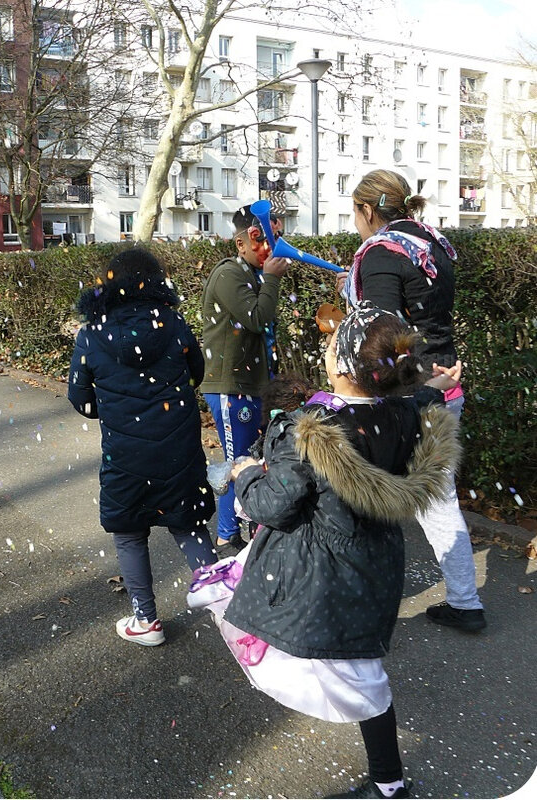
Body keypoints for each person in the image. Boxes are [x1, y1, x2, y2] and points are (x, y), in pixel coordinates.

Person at [188, 303, 462, 798]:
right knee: (363, 669)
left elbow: (274, 506)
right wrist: (435, 389)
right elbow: (408, 397)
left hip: (322, 569)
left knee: (354, 673)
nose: (326, 347)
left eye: (333, 344)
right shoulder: (401, 412)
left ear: (342, 365)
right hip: (375, 561)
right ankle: (389, 780)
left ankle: (390, 785)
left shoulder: (313, 432)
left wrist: (245, 471)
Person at [338, 168, 485, 633]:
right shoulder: (432, 243)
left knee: (363, 494)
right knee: (439, 500)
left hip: (402, 395)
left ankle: (359, 607)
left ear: (366, 210)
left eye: (355, 213)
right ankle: (464, 602)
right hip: (444, 383)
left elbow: (377, 333)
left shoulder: (381, 253)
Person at [68, 247, 217, 647]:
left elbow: (80, 399)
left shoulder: (92, 333)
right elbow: (196, 373)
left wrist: (113, 408)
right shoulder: (172, 323)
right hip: (178, 447)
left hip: (126, 454)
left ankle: (146, 620)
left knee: (129, 530)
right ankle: (226, 604)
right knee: (188, 521)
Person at [201, 204, 289, 556]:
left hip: (248, 386)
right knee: (239, 463)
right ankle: (227, 537)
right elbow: (257, 318)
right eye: (263, 239)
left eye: (277, 238)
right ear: (241, 244)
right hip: (230, 387)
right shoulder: (229, 274)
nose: (272, 247)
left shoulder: (250, 274)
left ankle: (229, 533)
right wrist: (272, 279)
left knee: (243, 460)